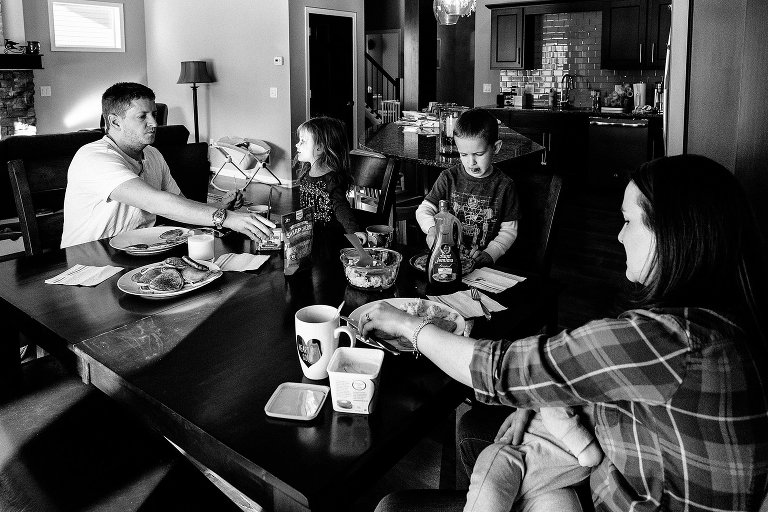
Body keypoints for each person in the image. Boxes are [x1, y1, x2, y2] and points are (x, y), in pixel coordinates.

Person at [365, 154, 768, 511]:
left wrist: (407, 324)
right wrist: (539, 398)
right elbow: (620, 390)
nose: (619, 235)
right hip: (624, 466)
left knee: (391, 506)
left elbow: (499, 369)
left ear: (672, 233)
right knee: (476, 429)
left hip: (616, 495)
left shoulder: (668, 341)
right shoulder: (722, 324)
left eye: (628, 221)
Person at [61, 82, 273, 248]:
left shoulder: (152, 154)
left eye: (154, 114)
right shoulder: (93, 158)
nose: (154, 123)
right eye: (142, 116)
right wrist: (226, 218)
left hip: (140, 251)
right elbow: (156, 202)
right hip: (90, 262)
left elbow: (178, 206)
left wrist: (220, 208)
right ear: (115, 121)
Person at [416, 108, 519, 268]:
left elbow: (509, 231)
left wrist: (491, 253)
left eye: (479, 154)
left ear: (496, 147)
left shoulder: (505, 186)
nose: (471, 162)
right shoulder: (448, 177)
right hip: (447, 259)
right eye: (463, 155)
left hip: (484, 266)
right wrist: (432, 229)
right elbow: (424, 210)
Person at [294, 116, 366, 257]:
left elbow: (341, 208)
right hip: (309, 238)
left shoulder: (331, 180)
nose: (297, 144)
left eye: (303, 141)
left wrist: (354, 231)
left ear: (320, 148)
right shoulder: (306, 173)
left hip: (329, 243)